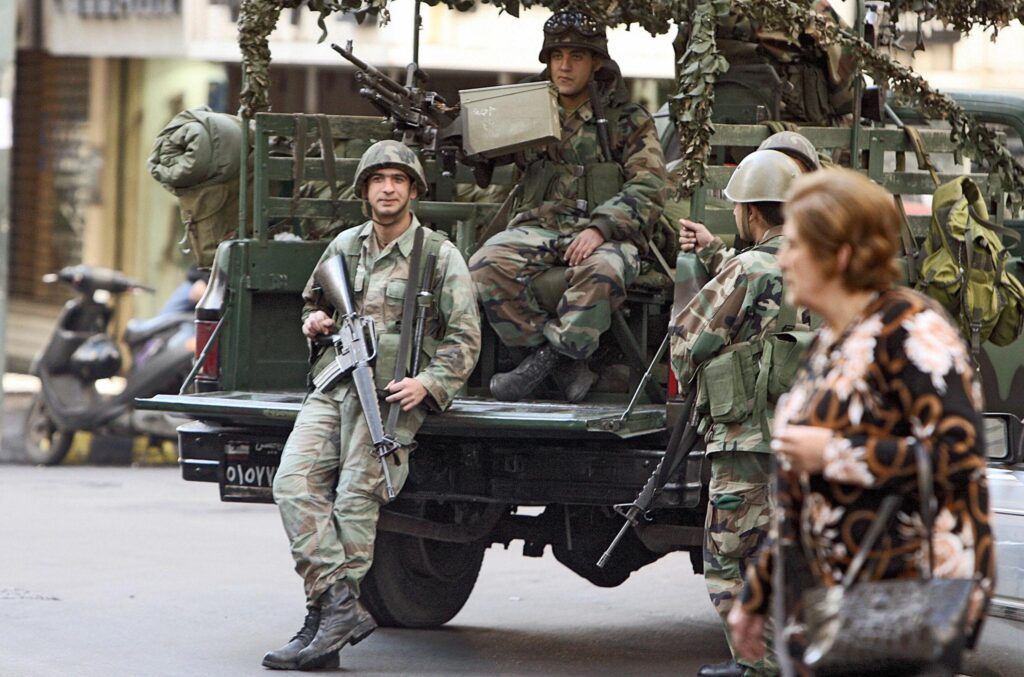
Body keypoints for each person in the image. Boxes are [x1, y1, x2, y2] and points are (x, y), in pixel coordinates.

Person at [728, 169, 995, 673]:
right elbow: (801, 497)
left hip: (903, 600)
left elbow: (958, 457)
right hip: (834, 604)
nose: (782, 257)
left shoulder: (911, 330)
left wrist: (833, 453)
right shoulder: (835, 341)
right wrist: (757, 594)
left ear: (841, 255)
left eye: (797, 245)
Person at [264, 140, 481, 670]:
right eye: (379, 179)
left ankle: (323, 626)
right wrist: (314, 323)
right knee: (292, 483)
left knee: (355, 502)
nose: (388, 188)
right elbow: (314, 301)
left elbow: (465, 336)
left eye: (398, 180)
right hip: (334, 382)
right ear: (365, 190)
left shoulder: (437, 254)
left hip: (390, 397)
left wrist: (428, 383)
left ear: (412, 190)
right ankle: (337, 608)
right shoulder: (344, 246)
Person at [469, 8, 667, 403]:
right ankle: (560, 364)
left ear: (596, 63)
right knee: (485, 264)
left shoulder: (625, 120)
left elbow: (650, 186)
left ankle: (544, 364)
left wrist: (601, 228)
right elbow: (483, 154)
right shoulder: (527, 110)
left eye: (576, 56)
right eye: (557, 56)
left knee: (604, 270)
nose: (564, 66)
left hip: (606, 235)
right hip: (542, 228)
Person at [670, 149, 807, 677]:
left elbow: (687, 344)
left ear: (750, 212)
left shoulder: (748, 267)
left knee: (729, 560)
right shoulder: (821, 267)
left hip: (746, 441)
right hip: (806, 444)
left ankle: (757, 666)